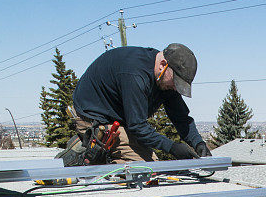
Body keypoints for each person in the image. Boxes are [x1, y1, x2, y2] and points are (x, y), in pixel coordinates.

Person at [70, 43, 212, 163]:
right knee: (144, 169)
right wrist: (172, 147)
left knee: (151, 166)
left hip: (121, 118)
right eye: (175, 82)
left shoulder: (165, 80)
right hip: (93, 116)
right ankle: (84, 152)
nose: (175, 87)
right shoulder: (135, 74)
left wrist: (198, 143)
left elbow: (180, 117)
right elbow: (137, 126)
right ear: (163, 65)